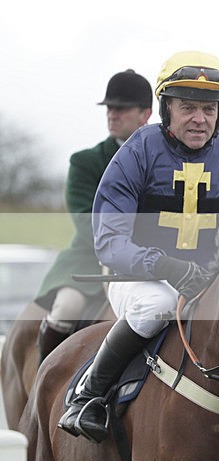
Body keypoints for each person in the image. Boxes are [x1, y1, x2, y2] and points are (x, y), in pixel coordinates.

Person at [58, 51, 219, 443]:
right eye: (188, 108)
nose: (199, 119)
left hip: (203, 281)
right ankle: (89, 395)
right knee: (158, 306)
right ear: (167, 108)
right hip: (134, 275)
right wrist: (166, 266)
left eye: (208, 109)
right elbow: (108, 240)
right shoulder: (137, 152)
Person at [34, 69, 153, 363]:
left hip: (152, 259)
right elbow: (88, 222)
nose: (112, 114)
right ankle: (43, 383)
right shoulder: (85, 162)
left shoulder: (164, 161)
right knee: (66, 309)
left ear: (145, 114)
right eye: (109, 108)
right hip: (90, 260)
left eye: (121, 108)